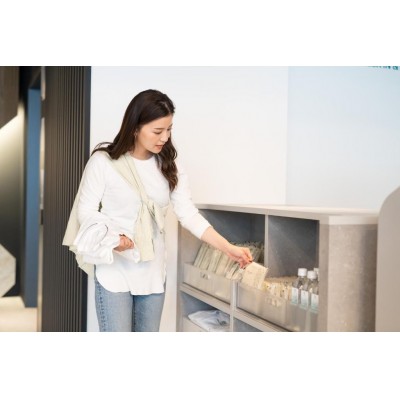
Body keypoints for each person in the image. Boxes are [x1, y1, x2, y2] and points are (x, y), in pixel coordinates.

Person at [68, 89, 253, 332]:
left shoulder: (169, 166)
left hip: (152, 274)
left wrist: (228, 248)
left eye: (169, 129)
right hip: (114, 270)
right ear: (135, 127)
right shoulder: (104, 162)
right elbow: (86, 211)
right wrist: (113, 239)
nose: (164, 137)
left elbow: (188, 214)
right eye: (157, 131)